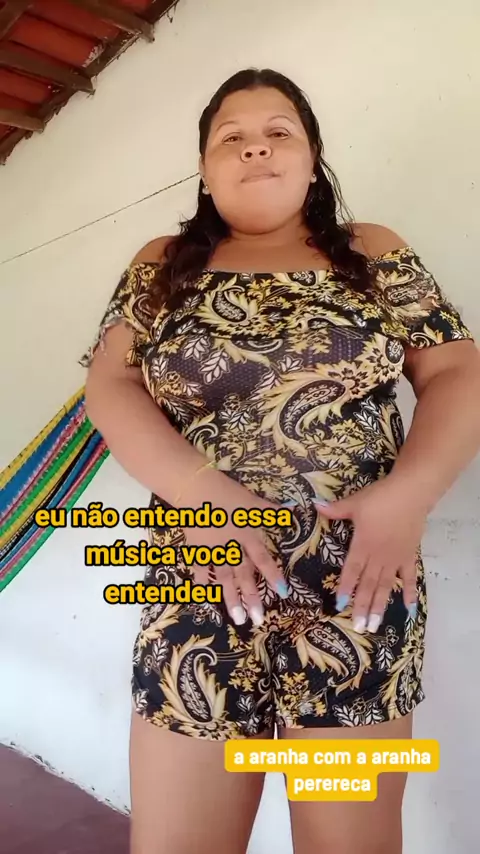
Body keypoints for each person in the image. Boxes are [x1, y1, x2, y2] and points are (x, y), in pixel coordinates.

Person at [81, 68, 480, 854]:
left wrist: (411, 495)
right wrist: (208, 497)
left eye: (278, 131)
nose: (255, 146)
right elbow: (110, 385)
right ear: (205, 169)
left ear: (312, 157)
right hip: (199, 591)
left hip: (357, 594)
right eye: (231, 136)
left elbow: (457, 372)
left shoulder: (373, 252)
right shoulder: (162, 264)